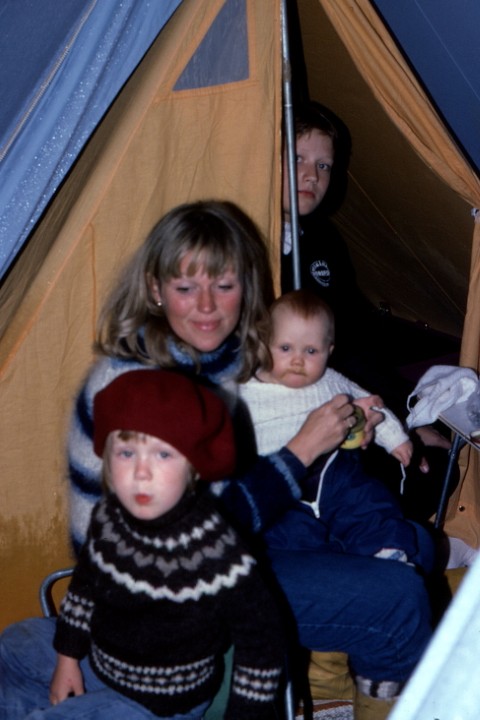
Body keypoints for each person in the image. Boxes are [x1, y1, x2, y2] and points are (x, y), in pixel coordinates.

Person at [1, 201, 433, 720]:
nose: (207, 306)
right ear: (156, 290)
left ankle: (327, 684)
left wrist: (344, 439)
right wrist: (303, 451)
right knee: (400, 596)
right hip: (170, 581)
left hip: (251, 536)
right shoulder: (141, 384)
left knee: (415, 544)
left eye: (224, 285)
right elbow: (189, 530)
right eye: (186, 288)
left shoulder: (231, 359)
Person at [0, 369, 285, 719]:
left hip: (161, 703)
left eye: (163, 455)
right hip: (101, 662)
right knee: (14, 643)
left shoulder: (218, 552)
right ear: (106, 459)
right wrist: (68, 658)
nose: (141, 472)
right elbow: (85, 585)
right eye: (126, 453)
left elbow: (262, 639)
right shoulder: (108, 516)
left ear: (195, 467)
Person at [281, 101, 457, 524]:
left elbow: (356, 340)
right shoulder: (243, 242)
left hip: (346, 394)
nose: (312, 175)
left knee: (442, 456)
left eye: (324, 166)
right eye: (298, 157)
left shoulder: (323, 238)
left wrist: (405, 415)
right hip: (287, 416)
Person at [238, 289, 435, 570]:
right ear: (264, 344)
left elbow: (371, 405)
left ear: (329, 351)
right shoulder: (246, 391)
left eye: (311, 351)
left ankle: (386, 549)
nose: (298, 360)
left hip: (334, 473)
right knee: (289, 531)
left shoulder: (331, 381)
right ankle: (324, 564)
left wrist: (396, 439)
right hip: (280, 483)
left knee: (368, 500)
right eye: (285, 348)